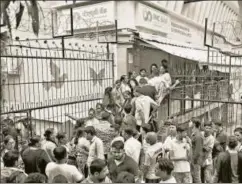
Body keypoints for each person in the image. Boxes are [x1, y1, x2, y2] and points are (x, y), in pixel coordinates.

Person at [191, 119, 203, 183]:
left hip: (196, 160)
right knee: (194, 176)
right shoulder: (195, 134)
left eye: (191, 121)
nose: (189, 123)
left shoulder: (198, 135)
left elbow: (198, 150)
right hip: (194, 159)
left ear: (194, 124)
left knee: (196, 178)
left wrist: (193, 159)